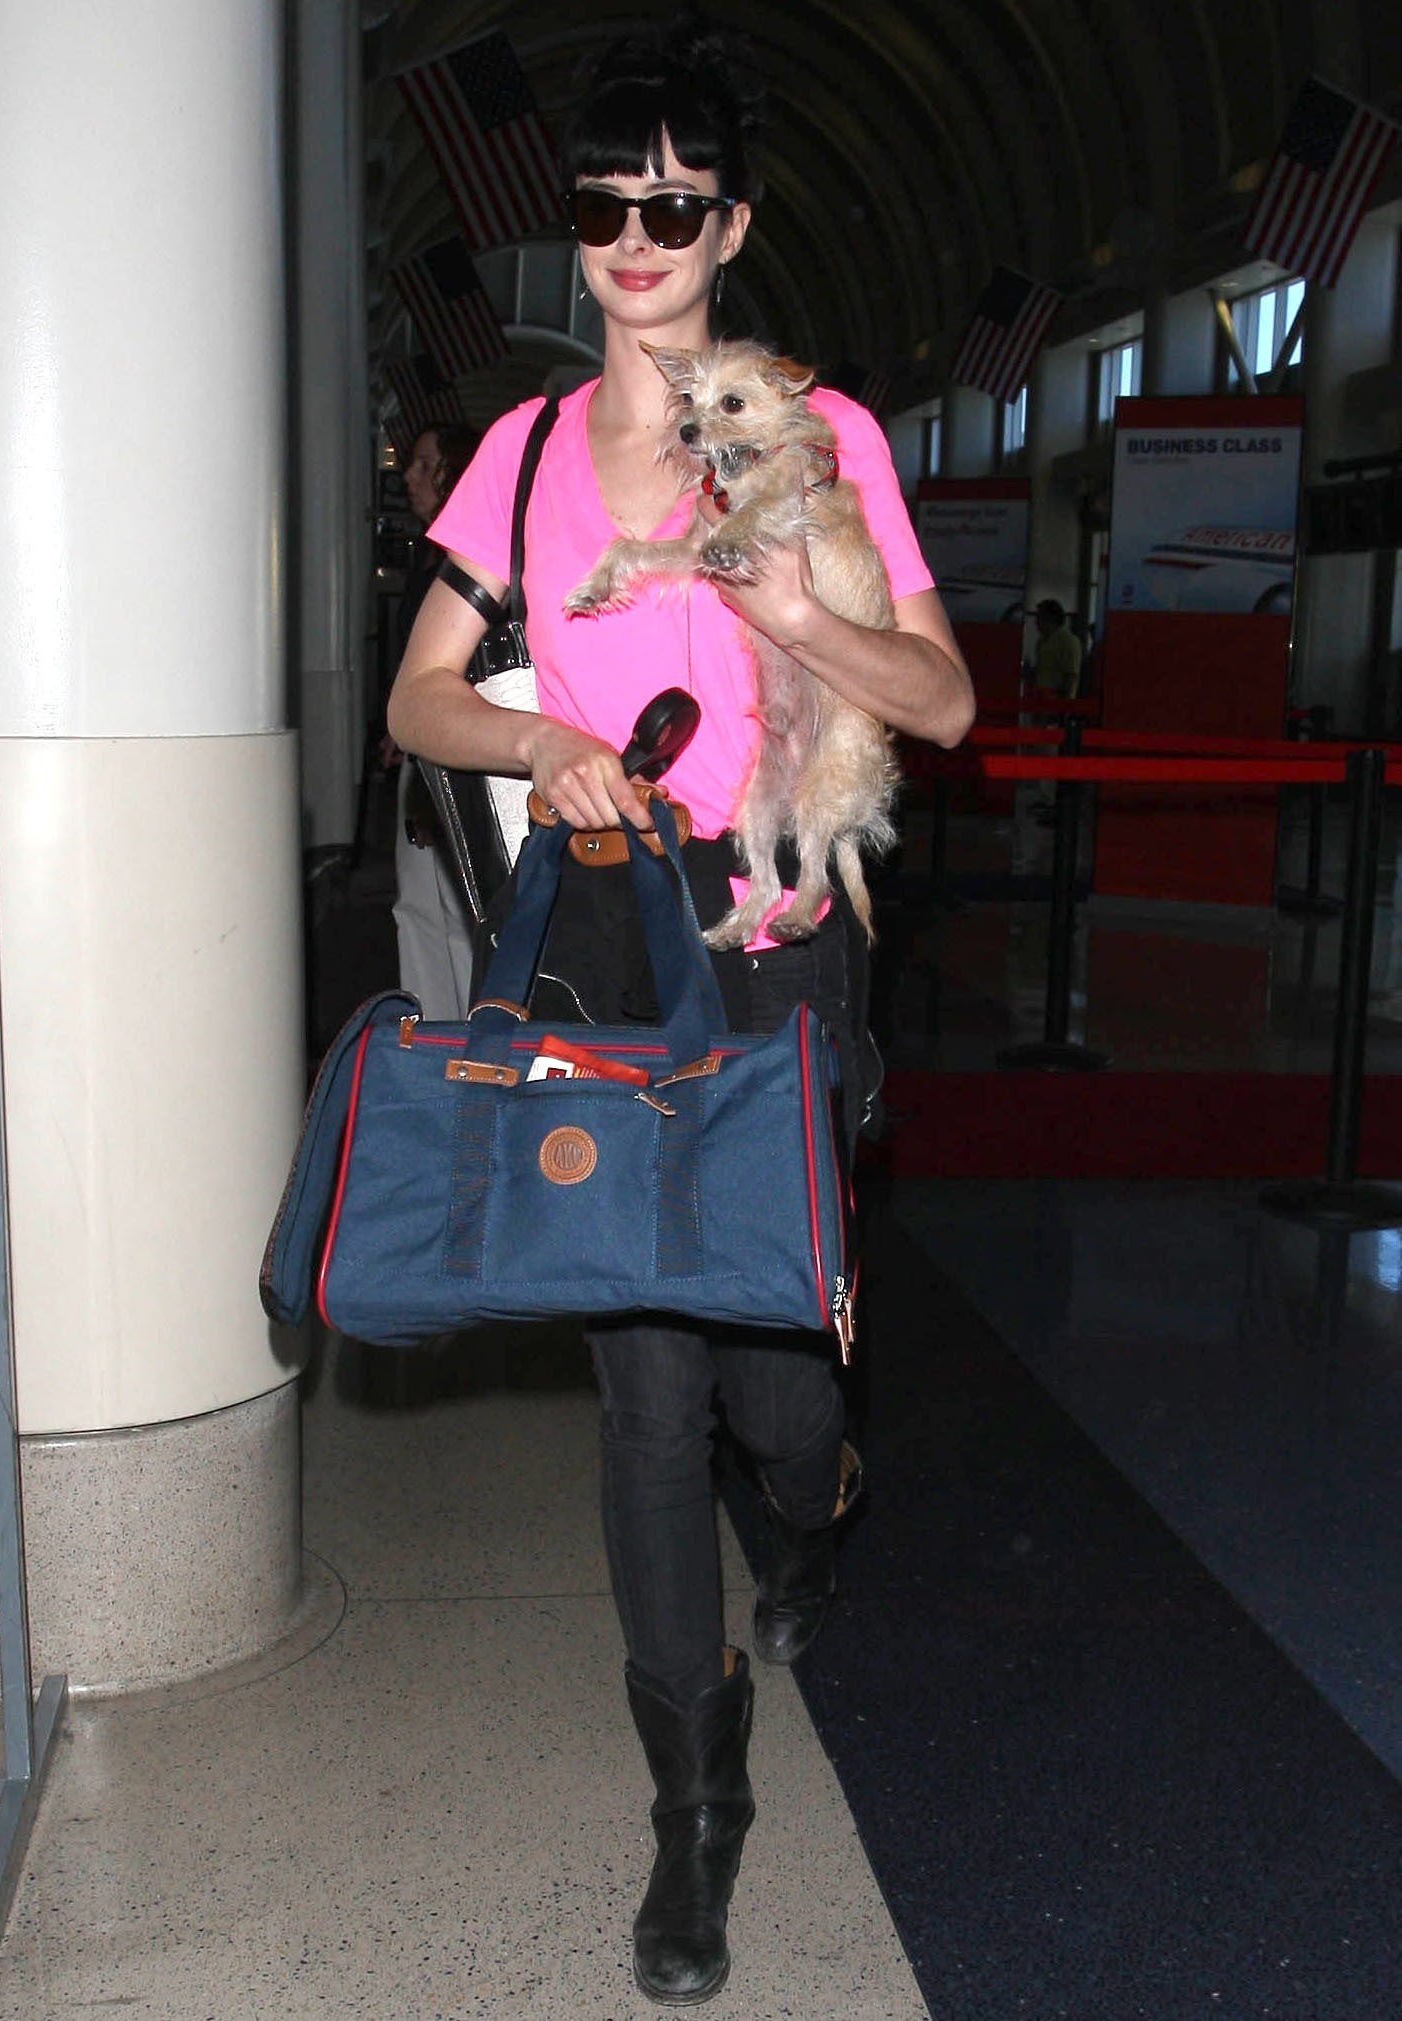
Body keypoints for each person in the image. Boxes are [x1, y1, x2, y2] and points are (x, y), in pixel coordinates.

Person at [387, 23, 973, 2004]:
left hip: (779, 921)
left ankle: (813, 1507)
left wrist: (798, 612)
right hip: (612, 936)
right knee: (645, 1379)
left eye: (669, 206)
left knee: (776, 1377)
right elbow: (416, 695)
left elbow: (948, 705)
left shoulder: (822, 434)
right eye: (598, 206)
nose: (632, 242)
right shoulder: (527, 453)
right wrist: (540, 729)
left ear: (727, 221)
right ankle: (694, 1798)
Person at [386, 422, 480, 1016]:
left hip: (462, 754)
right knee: (420, 907)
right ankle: (432, 1035)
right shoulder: (432, 562)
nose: (410, 477)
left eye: (425, 464)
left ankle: (471, 1037)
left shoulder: (469, 569)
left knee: (460, 910)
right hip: (421, 750)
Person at [1029, 596, 1083, 699]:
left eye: (1039, 618)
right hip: (1040, 701)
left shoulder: (1068, 641)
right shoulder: (1041, 642)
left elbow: (1071, 676)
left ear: (1049, 618)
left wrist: (1062, 704)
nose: (1036, 623)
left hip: (1057, 704)